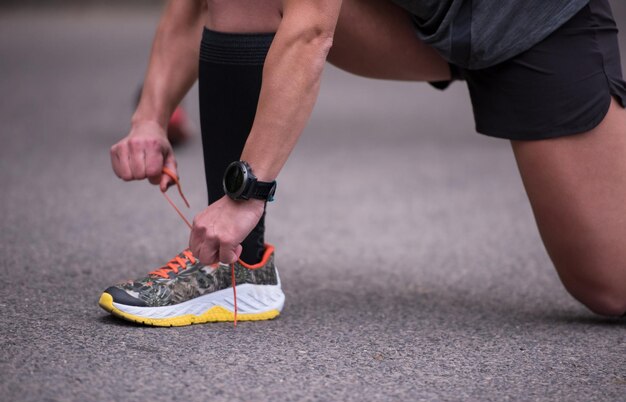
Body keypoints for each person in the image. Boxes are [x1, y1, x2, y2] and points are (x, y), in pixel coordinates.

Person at [99, 0, 626, 326]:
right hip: (422, 18)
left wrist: (247, 194)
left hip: (527, 21)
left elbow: (310, 31)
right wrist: (150, 114)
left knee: (611, 287)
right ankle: (239, 272)